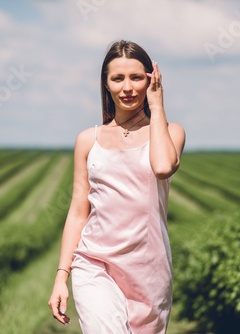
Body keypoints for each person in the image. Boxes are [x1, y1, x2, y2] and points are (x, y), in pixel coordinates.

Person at [48, 40, 186, 333]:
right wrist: (62, 275)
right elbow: (77, 212)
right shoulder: (88, 140)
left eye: (136, 77)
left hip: (149, 270)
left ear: (152, 79)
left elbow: (162, 167)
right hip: (94, 263)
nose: (127, 87)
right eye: (117, 78)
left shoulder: (172, 132)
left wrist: (157, 106)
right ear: (106, 83)